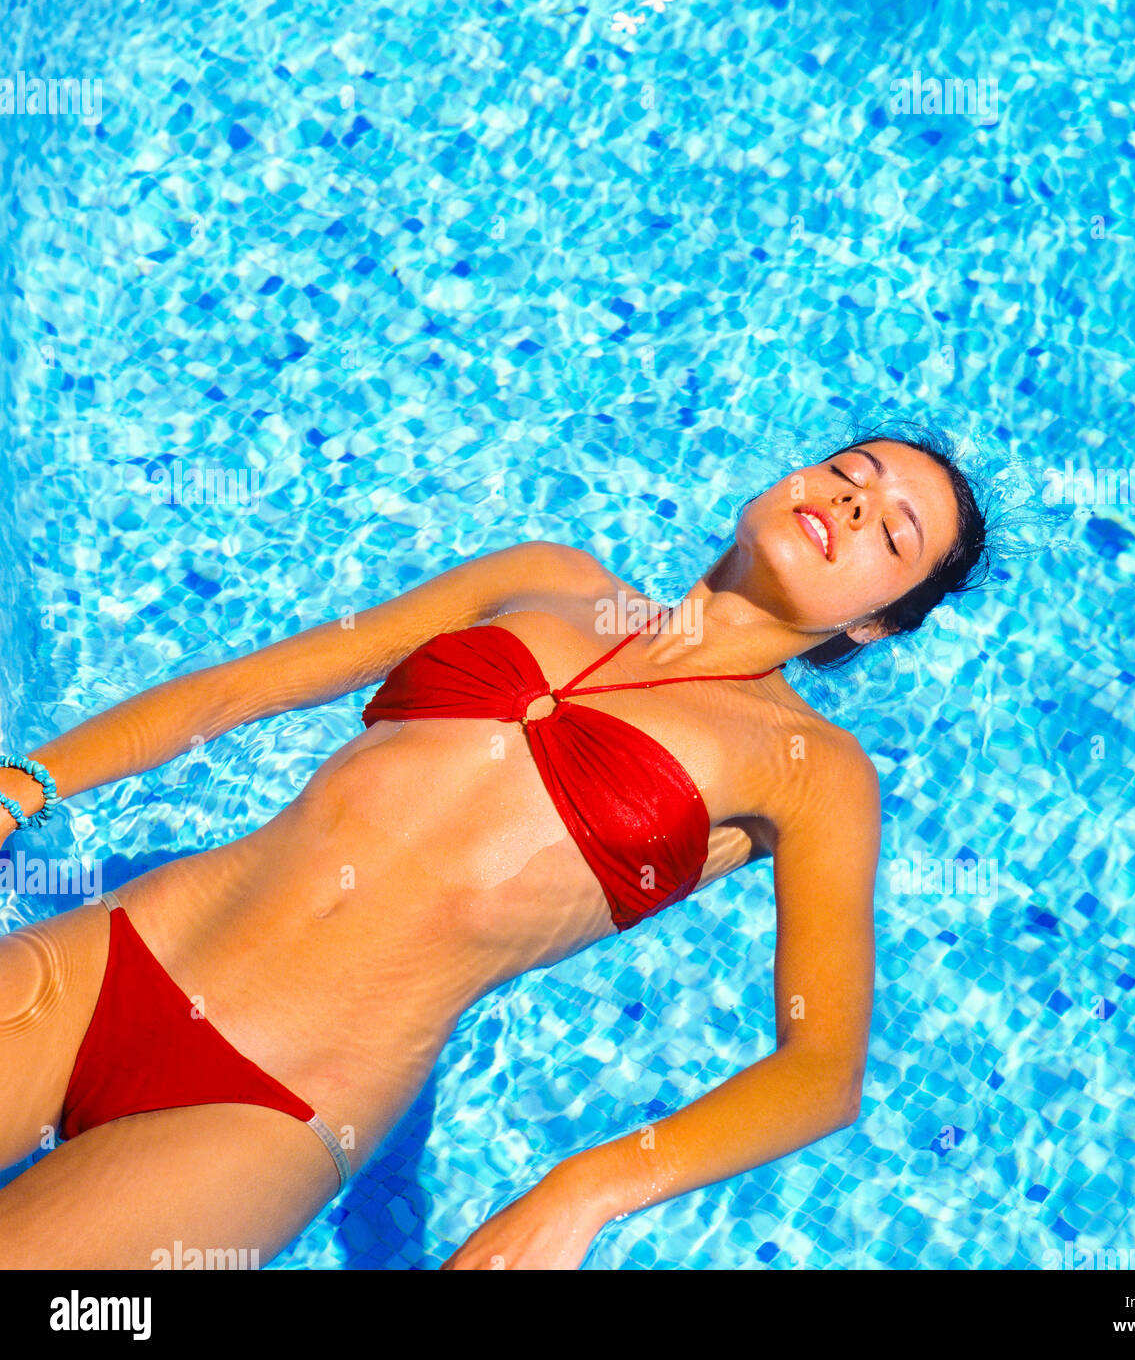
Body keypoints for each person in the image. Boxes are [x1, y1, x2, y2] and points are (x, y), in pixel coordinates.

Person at [0, 428, 987, 1269]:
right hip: (115, 956)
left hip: (268, 1110)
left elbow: (820, 1068)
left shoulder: (811, 769)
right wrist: (23, 785)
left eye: (891, 531)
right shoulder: (547, 578)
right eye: (847, 474)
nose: (854, 507)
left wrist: (581, 1190)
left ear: (872, 623)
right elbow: (249, 686)